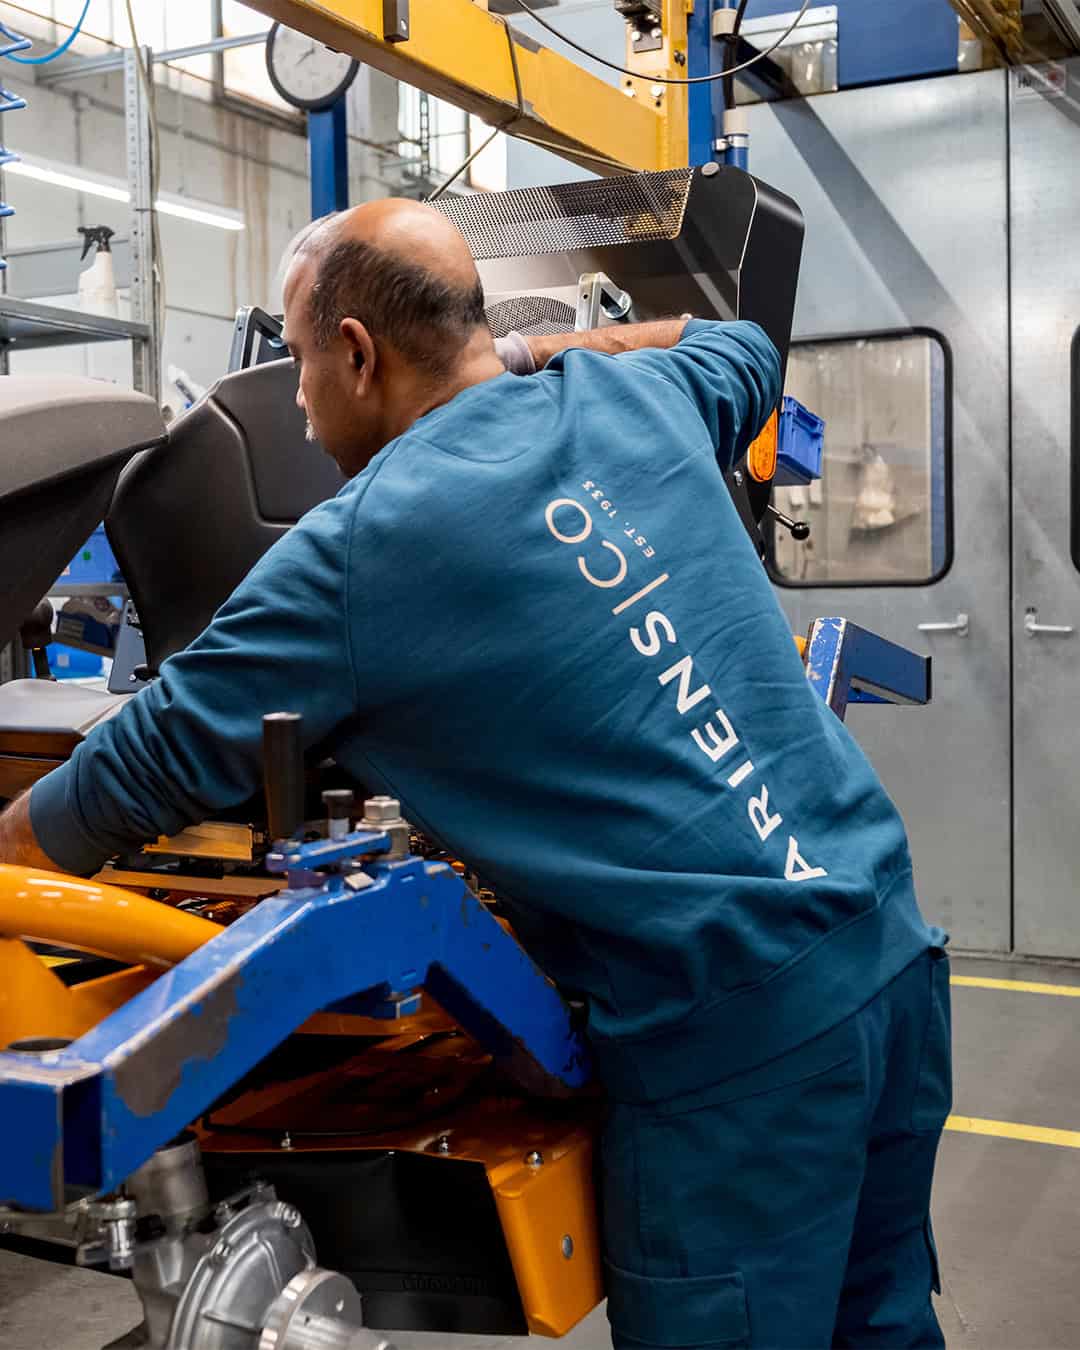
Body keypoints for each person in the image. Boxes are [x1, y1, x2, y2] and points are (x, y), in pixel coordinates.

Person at [0, 199, 951, 1349]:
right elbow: (736, 343)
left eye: (300, 360)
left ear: (357, 353)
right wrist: (533, 353)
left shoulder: (357, 548)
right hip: (887, 944)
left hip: (738, 1044)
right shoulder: (635, 393)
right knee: (880, 1326)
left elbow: (130, 771)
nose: (296, 398)